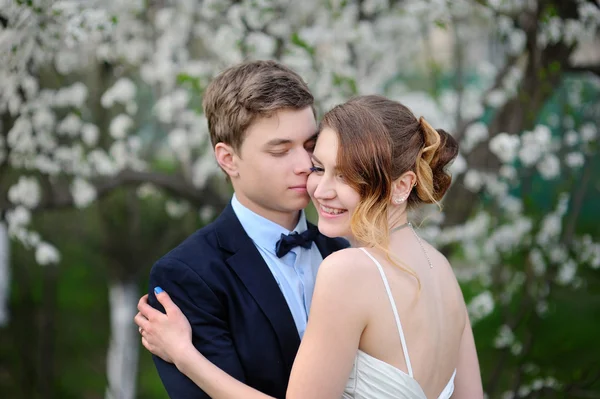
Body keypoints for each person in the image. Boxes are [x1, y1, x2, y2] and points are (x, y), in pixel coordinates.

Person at [135, 95, 484, 398]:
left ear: (401, 186)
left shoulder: (345, 269)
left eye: (347, 175)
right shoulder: (441, 268)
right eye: (320, 167)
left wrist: (185, 356)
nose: (318, 187)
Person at [140, 60, 349, 399]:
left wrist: (186, 356)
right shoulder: (186, 276)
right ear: (227, 159)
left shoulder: (346, 248)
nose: (304, 165)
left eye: (310, 146)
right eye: (280, 150)